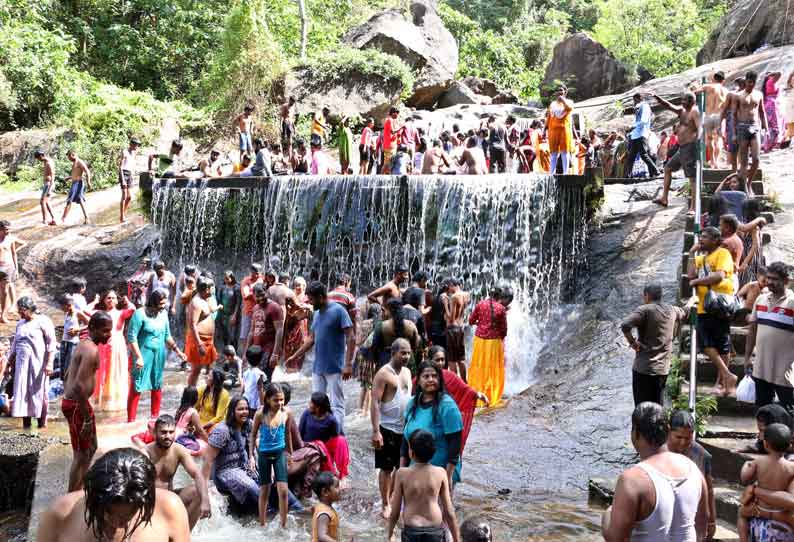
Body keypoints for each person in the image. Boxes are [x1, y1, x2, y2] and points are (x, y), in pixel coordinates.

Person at [602, 402, 708, 542]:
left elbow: (616, 538)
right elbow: (702, 530)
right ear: (668, 430)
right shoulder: (694, 470)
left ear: (636, 433)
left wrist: (607, 516)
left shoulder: (632, 480)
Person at [36, 447, 190, 542]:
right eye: (107, 513)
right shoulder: (60, 514)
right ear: (91, 497)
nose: (116, 524)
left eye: (127, 517)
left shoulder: (170, 509)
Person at [287, 281, 355, 433]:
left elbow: (351, 337)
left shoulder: (339, 311)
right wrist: (295, 356)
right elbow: (311, 339)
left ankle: (337, 434)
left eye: (311, 299)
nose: (309, 302)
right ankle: (321, 432)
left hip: (335, 366)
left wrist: (348, 364)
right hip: (318, 367)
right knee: (317, 402)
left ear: (321, 297)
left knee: (337, 404)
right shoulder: (317, 313)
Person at [61, 311, 112, 491]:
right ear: (92, 328)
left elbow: (67, 374)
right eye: (105, 331)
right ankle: (71, 495)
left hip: (75, 404)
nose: (109, 335)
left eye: (110, 331)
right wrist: (87, 419)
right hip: (77, 405)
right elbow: (79, 387)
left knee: (91, 447)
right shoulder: (91, 350)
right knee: (82, 454)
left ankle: (80, 488)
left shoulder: (83, 343)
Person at [687, 226, 737, 395]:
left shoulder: (723, 253)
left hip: (719, 305)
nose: (701, 239)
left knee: (722, 345)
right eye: (701, 236)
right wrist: (690, 255)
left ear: (716, 239)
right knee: (705, 345)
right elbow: (691, 275)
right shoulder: (701, 257)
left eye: (705, 237)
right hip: (703, 307)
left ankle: (722, 383)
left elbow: (719, 276)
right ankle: (728, 375)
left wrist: (696, 282)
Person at [621, 284, 689, 406]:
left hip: (643, 369)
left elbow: (625, 325)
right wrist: (692, 301)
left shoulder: (644, 310)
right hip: (662, 370)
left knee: (642, 408)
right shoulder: (671, 309)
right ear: (660, 296)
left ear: (646, 296)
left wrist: (633, 343)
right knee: (657, 408)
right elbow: (684, 311)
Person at [388, 429, 461, 542]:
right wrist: (456, 538)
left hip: (411, 530)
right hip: (435, 530)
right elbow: (449, 510)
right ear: (433, 452)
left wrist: (390, 533)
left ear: (411, 453)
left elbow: (395, 511)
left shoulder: (402, 474)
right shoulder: (441, 473)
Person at [127, 288, 186, 422]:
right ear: (153, 302)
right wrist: (139, 356)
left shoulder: (163, 314)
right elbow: (131, 337)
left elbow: (167, 336)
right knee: (137, 386)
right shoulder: (139, 314)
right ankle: (130, 422)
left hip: (159, 354)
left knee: (157, 385)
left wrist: (178, 351)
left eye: (165, 304)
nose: (163, 307)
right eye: (161, 304)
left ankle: (155, 420)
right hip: (142, 355)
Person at [143, 414, 211, 530]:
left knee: (197, 492)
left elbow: (197, 474)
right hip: (151, 502)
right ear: (155, 433)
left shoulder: (179, 450)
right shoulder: (145, 452)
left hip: (171, 499)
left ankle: (183, 535)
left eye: (171, 432)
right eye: (163, 432)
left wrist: (205, 500)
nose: (167, 436)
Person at [402, 362, 464, 487]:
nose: (431, 380)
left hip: (441, 473)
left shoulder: (447, 406)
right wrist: (402, 471)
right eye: (426, 376)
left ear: (440, 380)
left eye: (434, 376)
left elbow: (455, 444)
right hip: (415, 470)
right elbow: (405, 441)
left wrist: (447, 478)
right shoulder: (412, 404)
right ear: (418, 380)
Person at [371, 338, 413, 519]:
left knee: (401, 467)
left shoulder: (408, 372)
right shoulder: (383, 374)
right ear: (393, 353)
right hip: (387, 428)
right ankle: (385, 504)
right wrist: (375, 431)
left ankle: (392, 497)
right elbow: (374, 402)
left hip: (405, 429)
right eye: (402, 352)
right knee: (386, 469)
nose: (406, 356)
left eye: (409, 353)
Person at [745, 261, 794, 411]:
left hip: (785, 372)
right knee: (763, 411)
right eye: (769, 278)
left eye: (775, 279)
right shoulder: (760, 300)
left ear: (786, 281)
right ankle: (763, 435)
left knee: (789, 412)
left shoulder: (792, 303)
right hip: (761, 369)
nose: (770, 282)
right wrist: (747, 357)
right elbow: (752, 330)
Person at [426, 346, 488, 456]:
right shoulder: (423, 377)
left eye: (442, 360)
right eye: (437, 360)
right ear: (430, 360)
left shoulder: (450, 376)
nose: (440, 363)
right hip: (428, 421)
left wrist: (478, 394)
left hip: (446, 421)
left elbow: (465, 390)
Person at [738, 423, 794, 542]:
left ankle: (743, 540)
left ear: (766, 444)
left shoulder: (758, 462)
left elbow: (744, 478)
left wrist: (746, 466)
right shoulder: (791, 467)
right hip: (782, 516)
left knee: (742, 515)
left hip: (759, 513)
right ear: (789, 445)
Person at [666, 410, 717, 540]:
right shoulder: (659, 452)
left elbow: (709, 489)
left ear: (693, 434)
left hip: (692, 514)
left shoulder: (702, 455)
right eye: (678, 437)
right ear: (669, 432)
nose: (683, 442)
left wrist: (711, 521)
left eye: (687, 438)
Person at [9, 296, 57, 430]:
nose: (20, 313)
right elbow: (15, 344)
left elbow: (51, 343)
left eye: (22, 310)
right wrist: (9, 361)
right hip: (21, 364)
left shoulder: (43, 321)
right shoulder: (20, 324)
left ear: (30, 309)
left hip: (38, 362)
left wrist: (49, 363)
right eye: (19, 310)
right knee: (23, 391)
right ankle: (27, 425)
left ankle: (42, 424)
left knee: (39, 391)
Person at [250, 382, 291, 527]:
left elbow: (287, 434)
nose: (280, 403)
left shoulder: (287, 412)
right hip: (264, 455)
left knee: (284, 491)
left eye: (282, 399)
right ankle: (262, 524)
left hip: (280, 454)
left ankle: (283, 525)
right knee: (264, 491)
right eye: (276, 400)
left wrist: (290, 454)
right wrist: (251, 456)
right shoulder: (260, 414)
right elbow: (253, 435)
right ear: (267, 399)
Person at [653, 92, 701, 212]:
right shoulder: (682, 111)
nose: (682, 102)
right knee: (667, 168)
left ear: (691, 101)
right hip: (681, 148)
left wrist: (698, 142)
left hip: (690, 148)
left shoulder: (695, 112)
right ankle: (664, 198)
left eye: (684, 100)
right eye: (682, 100)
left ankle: (693, 207)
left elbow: (700, 128)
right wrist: (658, 97)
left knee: (692, 178)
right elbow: (669, 106)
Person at [92, 289, 135, 411]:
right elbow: (86, 311)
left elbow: (133, 309)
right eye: (108, 298)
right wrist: (95, 301)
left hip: (117, 346)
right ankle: (102, 401)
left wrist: (127, 301)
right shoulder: (100, 314)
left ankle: (116, 402)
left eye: (113, 298)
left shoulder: (121, 313)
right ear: (104, 301)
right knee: (103, 371)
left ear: (117, 300)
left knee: (116, 370)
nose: (111, 300)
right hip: (103, 345)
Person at [467, 285, 509, 407]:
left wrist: (480, 324)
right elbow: (504, 329)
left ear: (490, 294)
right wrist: (501, 337)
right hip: (494, 342)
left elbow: (471, 321)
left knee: (479, 366)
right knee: (493, 368)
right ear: (499, 296)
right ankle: (492, 396)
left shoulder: (480, 304)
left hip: (480, 340)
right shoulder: (501, 309)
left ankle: (477, 394)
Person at [299, 392, 350, 480]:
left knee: (341, 440)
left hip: (323, 451)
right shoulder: (307, 414)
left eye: (311, 403)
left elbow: (337, 439)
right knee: (318, 443)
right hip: (308, 448)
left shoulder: (331, 420)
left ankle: (342, 475)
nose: (309, 404)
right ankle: (332, 474)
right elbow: (299, 433)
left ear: (318, 407)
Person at [736, 71, 768, 196]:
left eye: (753, 82)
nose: (751, 85)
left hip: (755, 127)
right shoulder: (739, 95)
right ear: (746, 81)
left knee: (756, 159)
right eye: (749, 82)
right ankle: (744, 187)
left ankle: (749, 182)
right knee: (743, 162)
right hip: (743, 128)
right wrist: (733, 132)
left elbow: (762, 112)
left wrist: (766, 128)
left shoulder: (759, 94)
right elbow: (733, 114)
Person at [245, 283, 284, 382]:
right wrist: (246, 352)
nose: (261, 298)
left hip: (269, 349)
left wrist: (275, 353)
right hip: (256, 349)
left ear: (266, 292)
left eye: (262, 294)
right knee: (255, 378)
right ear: (253, 296)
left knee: (264, 378)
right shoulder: (255, 308)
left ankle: (266, 396)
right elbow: (251, 331)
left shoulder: (274, 308)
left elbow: (279, 330)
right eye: (257, 296)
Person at [186, 276, 220, 386]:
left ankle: (208, 390)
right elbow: (192, 324)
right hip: (199, 340)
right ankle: (190, 393)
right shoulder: (196, 302)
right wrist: (199, 344)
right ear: (206, 289)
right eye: (212, 287)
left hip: (209, 340)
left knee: (210, 366)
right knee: (196, 370)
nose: (213, 289)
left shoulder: (206, 300)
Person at [370, 298, 421, 370]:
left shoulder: (381, 326)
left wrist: (377, 360)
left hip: (386, 361)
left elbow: (374, 347)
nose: (383, 312)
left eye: (385, 310)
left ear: (389, 310)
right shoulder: (411, 325)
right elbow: (415, 346)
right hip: (407, 362)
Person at [693, 72, 728, 168]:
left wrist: (696, 85)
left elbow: (696, 92)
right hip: (719, 116)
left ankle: (712, 161)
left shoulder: (707, 87)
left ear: (714, 79)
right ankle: (716, 161)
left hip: (709, 115)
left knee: (709, 139)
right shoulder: (725, 91)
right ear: (723, 80)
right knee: (719, 139)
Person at [624, 93, 661, 178]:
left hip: (641, 134)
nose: (634, 102)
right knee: (631, 156)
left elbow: (643, 120)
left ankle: (656, 170)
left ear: (639, 98)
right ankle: (628, 175)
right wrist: (631, 130)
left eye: (635, 100)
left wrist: (632, 127)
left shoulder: (645, 106)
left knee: (643, 155)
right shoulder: (638, 108)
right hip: (635, 135)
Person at [444, 278, 471, 381]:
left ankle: (455, 383)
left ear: (452, 285)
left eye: (449, 286)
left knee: (451, 359)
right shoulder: (466, 295)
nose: (448, 288)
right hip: (460, 327)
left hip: (451, 328)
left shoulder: (454, 297)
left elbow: (451, 317)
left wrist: (446, 304)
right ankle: (464, 382)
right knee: (461, 359)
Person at [0, 220, 25, 323]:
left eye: (9, 229)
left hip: (7, 268)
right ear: (0, 230)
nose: (8, 231)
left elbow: (14, 253)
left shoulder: (10, 239)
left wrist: (16, 268)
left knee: (5, 292)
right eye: (6, 229)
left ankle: (3, 315)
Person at [546, 85, 575, 174]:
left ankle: (565, 173)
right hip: (553, 130)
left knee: (564, 151)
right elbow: (549, 117)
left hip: (564, 130)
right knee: (553, 153)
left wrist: (563, 100)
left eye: (561, 90)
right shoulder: (552, 104)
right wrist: (544, 129)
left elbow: (569, 108)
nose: (559, 92)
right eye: (558, 90)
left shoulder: (569, 102)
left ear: (565, 92)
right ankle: (552, 173)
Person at [61, 150, 93, 224]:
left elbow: (87, 171)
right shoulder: (75, 163)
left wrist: (88, 182)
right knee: (80, 200)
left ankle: (63, 219)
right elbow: (76, 174)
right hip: (75, 183)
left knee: (70, 200)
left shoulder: (79, 162)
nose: (69, 159)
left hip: (78, 183)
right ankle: (87, 218)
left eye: (69, 157)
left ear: (73, 155)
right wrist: (69, 177)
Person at [722, 77, 747, 171]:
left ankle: (739, 166)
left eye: (743, 83)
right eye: (741, 83)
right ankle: (733, 167)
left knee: (741, 146)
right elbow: (725, 109)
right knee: (733, 146)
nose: (742, 85)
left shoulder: (748, 94)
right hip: (733, 121)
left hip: (743, 122)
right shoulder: (732, 94)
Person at [196, 367, 231, 433]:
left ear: (215, 380)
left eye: (209, 376)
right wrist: (194, 422)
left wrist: (203, 427)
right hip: (199, 421)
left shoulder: (224, 394)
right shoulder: (202, 389)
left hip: (212, 424)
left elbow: (219, 417)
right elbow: (195, 407)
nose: (206, 377)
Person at [284, 295, 311, 373]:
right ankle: (290, 369)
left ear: (304, 287)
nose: (297, 287)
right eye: (296, 285)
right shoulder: (291, 296)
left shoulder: (306, 300)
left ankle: (297, 370)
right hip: (291, 328)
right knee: (289, 347)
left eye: (299, 285)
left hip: (302, 328)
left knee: (301, 345)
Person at [239, 263, 263, 352]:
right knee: (245, 335)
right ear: (251, 272)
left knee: (258, 335)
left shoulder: (262, 279)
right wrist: (256, 292)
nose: (256, 275)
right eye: (254, 273)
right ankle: (245, 354)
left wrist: (252, 292)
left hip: (261, 312)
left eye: (258, 273)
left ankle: (256, 355)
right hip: (248, 312)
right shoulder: (245, 281)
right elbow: (245, 295)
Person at [311, 472, 341, 542]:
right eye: (336, 486)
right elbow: (322, 536)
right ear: (325, 492)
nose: (340, 489)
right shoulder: (324, 513)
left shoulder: (320, 507)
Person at [58, 294, 81, 378]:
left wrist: (77, 329)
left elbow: (90, 323)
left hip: (73, 343)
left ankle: (70, 387)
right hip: (65, 342)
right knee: (63, 367)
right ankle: (64, 387)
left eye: (62, 306)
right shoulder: (67, 313)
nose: (61, 309)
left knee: (70, 367)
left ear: (68, 305)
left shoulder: (78, 313)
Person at [119, 137, 141, 223]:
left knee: (129, 197)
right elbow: (120, 167)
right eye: (136, 145)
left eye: (138, 145)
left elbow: (132, 164)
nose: (137, 147)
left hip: (130, 174)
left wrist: (134, 175)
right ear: (131, 144)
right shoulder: (124, 152)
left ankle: (123, 213)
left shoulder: (134, 153)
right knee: (124, 195)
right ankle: (122, 217)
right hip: (123, 173)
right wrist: (123, 180)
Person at [217, 270, 242, 347]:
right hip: (224, 314)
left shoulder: (236, 288)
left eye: (227, 278)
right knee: (225, 334)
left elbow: (238, 303)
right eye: (225, 278)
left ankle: (234, 352)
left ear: (232, 278)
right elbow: (219, 300)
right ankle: (226, 352)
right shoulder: (222, 287)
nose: (226, 280)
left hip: (233, 314)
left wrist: (234, 315)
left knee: (233, 336)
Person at [34, 149, 57, 226]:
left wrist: (50, 189)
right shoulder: (46, 161)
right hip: (46, 184)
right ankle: (54, 219)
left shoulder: (49, 163)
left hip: (49, 184)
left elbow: (53, 176)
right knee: (46, 202)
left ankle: (45, 221)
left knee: (42, 202)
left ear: (41, 156)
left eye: (38, 158)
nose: (38, 160)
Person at [762, 72, 782, 152]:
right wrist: (769, 75)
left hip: (770, 104)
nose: (773, 76)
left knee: (771, 125)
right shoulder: (770, 81)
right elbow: (779, 73)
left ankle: (769, 145)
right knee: (773, 126)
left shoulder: (769, 83)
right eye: (771, 75)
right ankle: (769, 145)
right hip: (771, 104)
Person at [242, 345, 266, 413]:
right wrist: (262, 404)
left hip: (246, 398)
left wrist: (240, 397)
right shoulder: (259, 374)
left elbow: (243, 386)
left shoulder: (246, 371)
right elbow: (260, 389)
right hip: (254, 401)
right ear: (261, 359)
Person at [382, 107, 401, 174]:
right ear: (393, 113)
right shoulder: (389, 120)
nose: (397, 115)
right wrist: (401, 128)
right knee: (388, 164)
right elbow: (392, 131)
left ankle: (383, 177)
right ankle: (380, 178)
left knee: (388, 163)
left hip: (391, 145)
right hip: (389, 145)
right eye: (397, 113)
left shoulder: (391, 120)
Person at [280, 98, 295, 162]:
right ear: (290, 100)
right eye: (292, 101)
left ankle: (290, 157)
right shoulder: (285, 106)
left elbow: (292, 117)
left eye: (294, 102)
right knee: (283, 140)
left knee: (290, 142)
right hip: (285, 123)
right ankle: (282, 156)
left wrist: (294, 127)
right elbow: (281, 116)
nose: (293, 103)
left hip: (290, 124)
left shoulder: (293, 107)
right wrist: (280, 126)